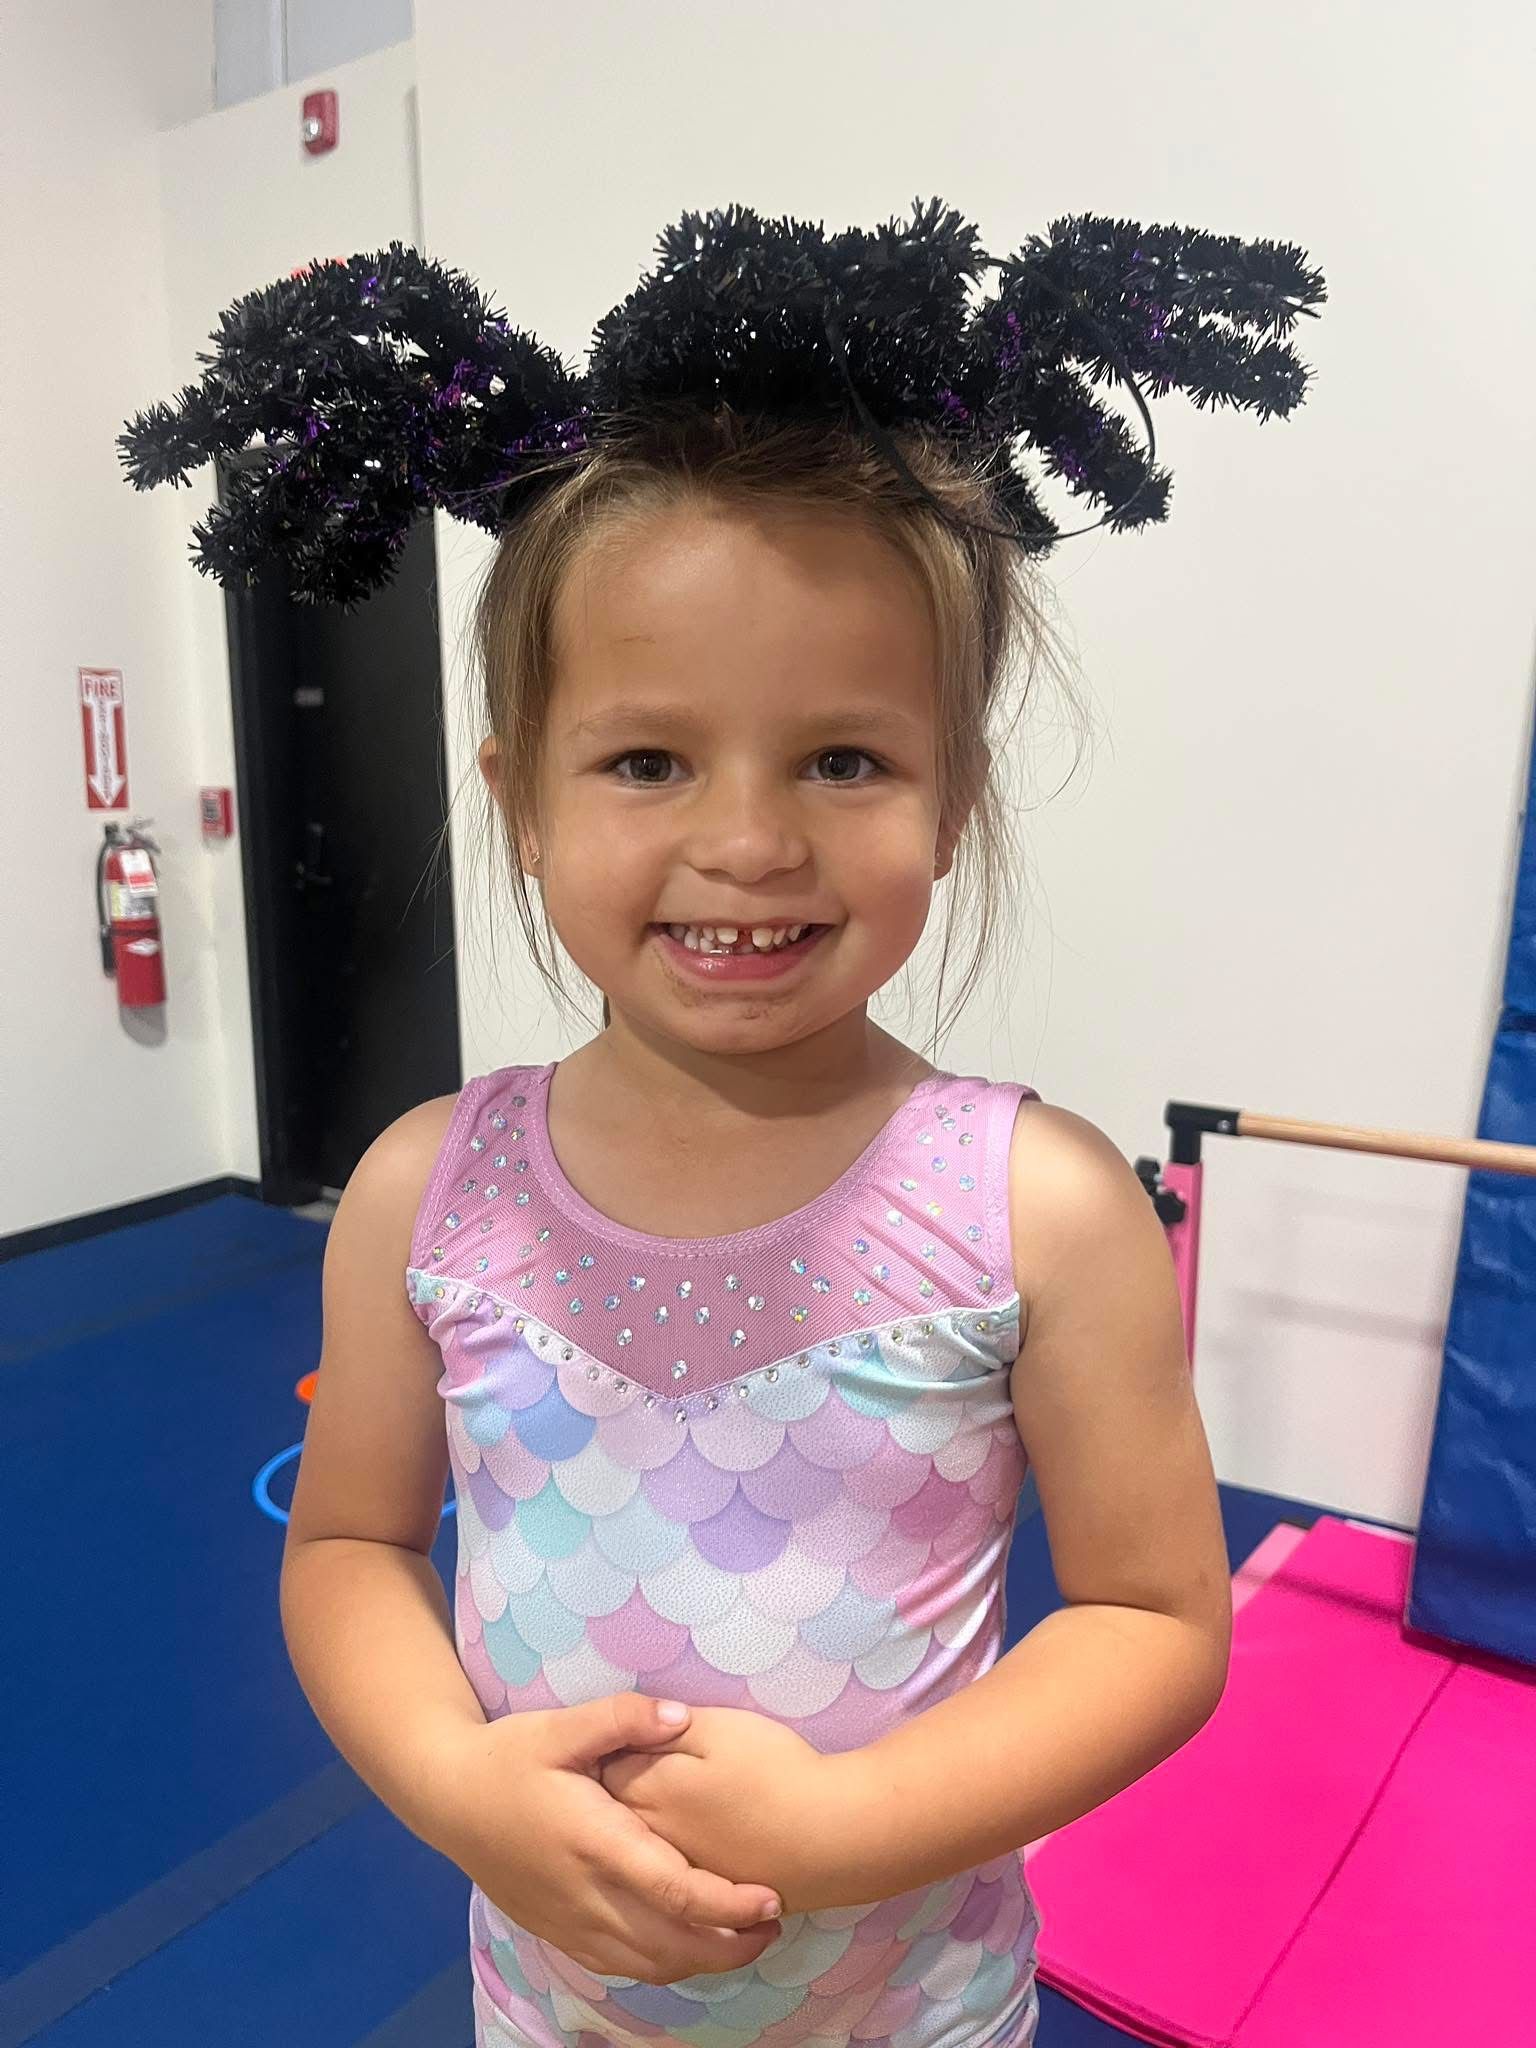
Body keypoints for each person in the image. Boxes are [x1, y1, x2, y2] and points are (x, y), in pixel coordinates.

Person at [121, 204, 1322, 2048]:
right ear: (524, 800)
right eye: (647, 760)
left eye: (843, 759)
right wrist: (455, 1786)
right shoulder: (426, 1194)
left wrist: (854, 1824)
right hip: (550, 2008)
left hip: (914, 2012)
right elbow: (352, 1545)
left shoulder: (1039, 1207)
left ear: (951, 794)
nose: (750, 842)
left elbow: (1157, 1622)